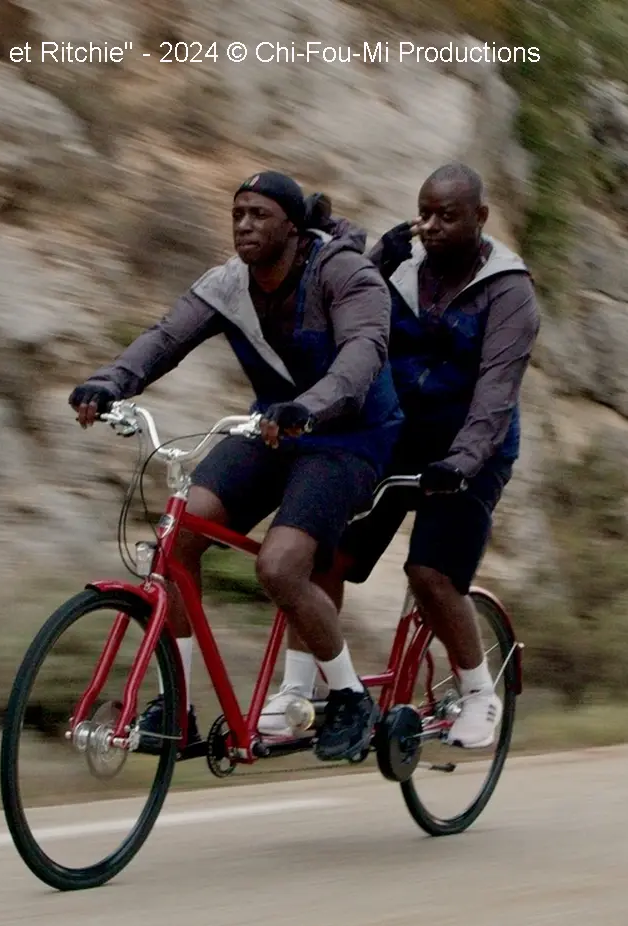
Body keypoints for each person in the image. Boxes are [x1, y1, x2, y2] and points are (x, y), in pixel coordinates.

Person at [66, 171, 402, 762]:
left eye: (259, 215)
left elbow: (361, 357)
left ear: (294, 230)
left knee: (279, 566)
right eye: (237, 214)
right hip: (272, 428)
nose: (244, 225)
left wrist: (311, 407)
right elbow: (166, 336)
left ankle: (349, 698)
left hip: (351, 436)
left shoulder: (346, 274)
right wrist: (109, 382)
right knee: (181, 533)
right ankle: (178, 706)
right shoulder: (229, 283)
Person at [267, 162, 538, 752]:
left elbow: (495, 397)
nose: (432, 226)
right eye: (425, 213)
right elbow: (341, 282)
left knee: (430, 573)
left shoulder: (509, 290)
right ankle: (296, 691)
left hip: (474, 449)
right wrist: (372, 257)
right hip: (398, 437)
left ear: (480, 219)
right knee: (322, 554)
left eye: (449, 216)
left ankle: (476, 693)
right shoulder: (403, 268)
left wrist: (462, 463)